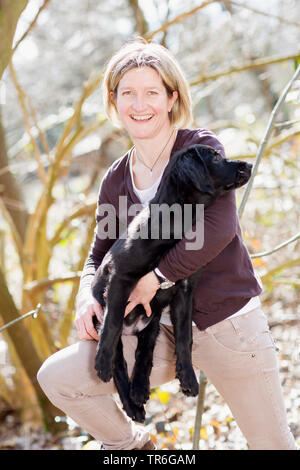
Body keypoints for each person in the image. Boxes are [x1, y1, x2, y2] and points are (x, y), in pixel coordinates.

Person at [37, 39, 296, 451]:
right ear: (114, 101)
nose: (140, 104)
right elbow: (98, 253)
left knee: (273, 446)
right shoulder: (115, 180)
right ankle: (133, 446)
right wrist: (87, 295)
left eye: (152, 92)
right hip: (152, 333)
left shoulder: (200, 150)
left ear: (172, 98)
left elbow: (220, 226)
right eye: (128, 93)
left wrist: (155, 278)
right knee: (57, 377)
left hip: (226, 326)